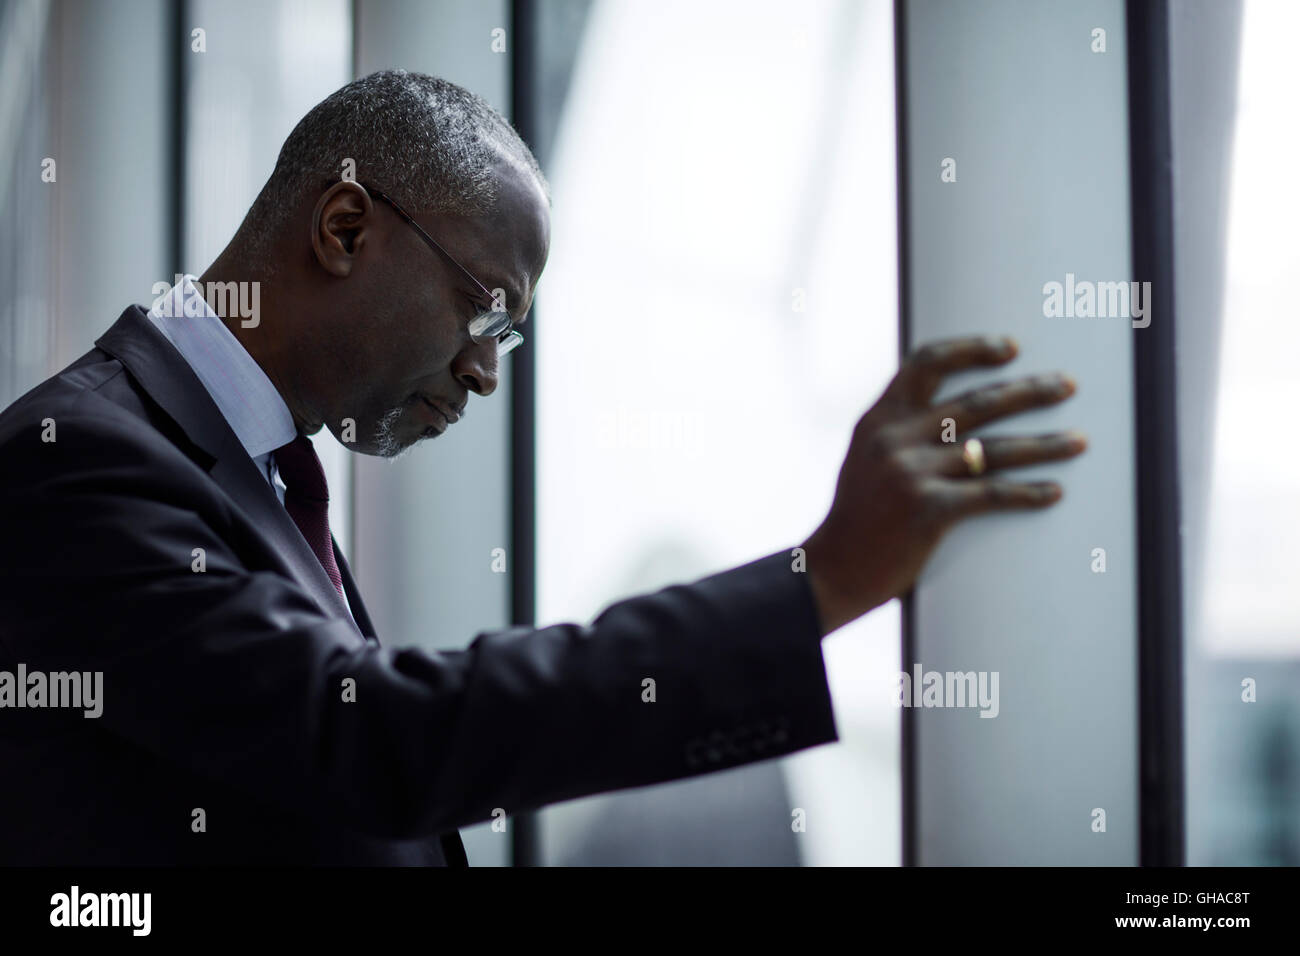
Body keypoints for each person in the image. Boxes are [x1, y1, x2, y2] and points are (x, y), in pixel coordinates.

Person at [0, 70, 1085, 865]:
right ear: (342, 227)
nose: (482, 372)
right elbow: (365, 736)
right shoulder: (78, 461)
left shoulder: (250, 464)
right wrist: (820, 582)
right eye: (487, 310)